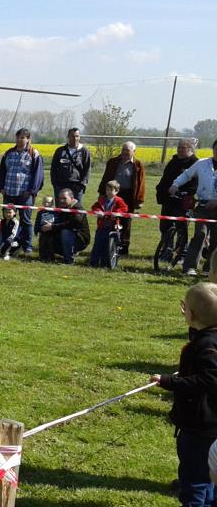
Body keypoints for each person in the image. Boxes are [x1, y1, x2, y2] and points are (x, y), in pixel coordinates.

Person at [151, 283, 217, 507]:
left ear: (192, 314)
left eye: (185, 307)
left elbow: (210, 380)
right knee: (209, 476)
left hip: (201, 427)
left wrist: (169, 382)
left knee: (194, 479)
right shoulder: (206, 338)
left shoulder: (208, 346)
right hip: (209, 425)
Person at [171, 139, 217, 277]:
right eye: (216, 149)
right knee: (200, 235)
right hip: (203, 206)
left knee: (216, 239)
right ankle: (189, 267)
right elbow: (186, 175)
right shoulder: (202, 163)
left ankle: (209, 269)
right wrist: (175, 184)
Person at [0, 128, 44, 254]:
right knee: (8, 220)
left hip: (24, 194)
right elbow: (2, 171)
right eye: (18, 137)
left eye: (23, 137)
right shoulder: (8, 153)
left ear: (28, 139)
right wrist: (1, 187)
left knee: (26, 220)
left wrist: (31, 191)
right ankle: (6, 243)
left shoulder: (33, 153)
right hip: (9, 192)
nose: (19, 139)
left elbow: (38, 174)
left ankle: (27, 246)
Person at [98, 141, 145, 255]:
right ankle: (108, 245)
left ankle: (123, 247)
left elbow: (141, 183)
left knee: (126, 222)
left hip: (128, 196)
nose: (124, 152)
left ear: (134, 152)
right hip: (112, 194)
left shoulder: (138, 164)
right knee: (109, 219)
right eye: (123, 149)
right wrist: (101, 193)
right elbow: (106, 177)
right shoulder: (113, 162)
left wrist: (139, 200)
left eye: (127, 150)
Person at [158, 138, 200, 266]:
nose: (180, 150)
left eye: (183, 148)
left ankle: (182, 253)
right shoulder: (174, 161)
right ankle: (166, 251)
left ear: (191, 149)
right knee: (165, 227)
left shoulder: (195, 163)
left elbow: (195, 183)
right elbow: (166, 178)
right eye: (179, 147)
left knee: (181, 228)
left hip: (184, 200)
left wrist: (184, 193)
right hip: (169, 199)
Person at [38, 188, 90, 264]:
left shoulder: (78, 208)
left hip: (80, 238)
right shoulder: (62, 208)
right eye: (60, 198)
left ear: (72, 198)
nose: (61, 200)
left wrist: (52, 226)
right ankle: (46, 256)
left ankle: (69, 260)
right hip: (65, 235)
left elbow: (71, 224)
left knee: (65, 232)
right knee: (46, 230)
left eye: (64, 198)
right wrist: (46, 226)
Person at [88, 180, 129, 267]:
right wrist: (98, 211)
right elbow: (94, 207)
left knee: (109, 246)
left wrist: (116, 213)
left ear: (116, 191)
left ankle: (106, 263)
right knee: (98, 244)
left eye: (111, 190)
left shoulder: (119, 200)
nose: (109, 192)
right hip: (102, 225)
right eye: (107, 190)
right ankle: (93, 262)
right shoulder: (102, 199)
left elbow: (124, 208)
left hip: (113, 226)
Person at [50, 128, 92, 205]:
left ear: (79, 137)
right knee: (60, 210)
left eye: (77, 136)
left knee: (75, 212)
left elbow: (87, 169)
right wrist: (55, 184)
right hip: (61, 185)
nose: (75, 138)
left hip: (77, 186)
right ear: (68, 137)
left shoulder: (85, 151)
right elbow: (53, 168)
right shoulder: (60, 150)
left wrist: (82, 185)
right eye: (72, 136)